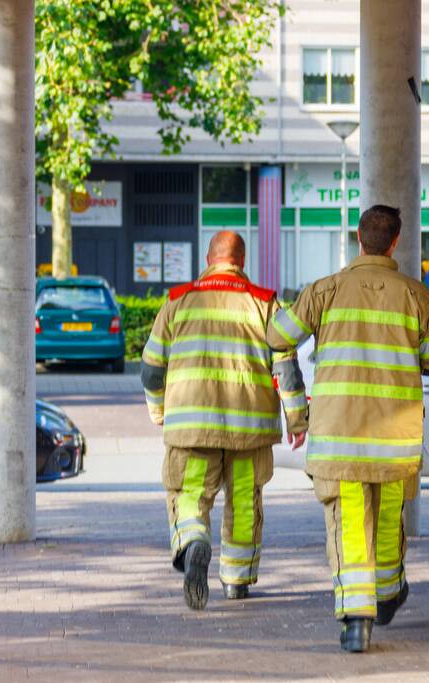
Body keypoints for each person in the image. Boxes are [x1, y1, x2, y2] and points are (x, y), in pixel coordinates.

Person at [266, 205, 429, 652]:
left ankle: (355, 619)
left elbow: (277, 336)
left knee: (349, 526)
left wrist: (295, 408)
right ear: (395, 241)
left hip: (337, 440)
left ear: (358, 239)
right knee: (388, 521)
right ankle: (387, 593)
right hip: (394, 441)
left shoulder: (324, 291)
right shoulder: (417, 295)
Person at [141, 231, 308, 610]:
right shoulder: (264, 303)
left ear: (208, 258)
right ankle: (236, 581)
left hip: (192, 429)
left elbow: (151, 370)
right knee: (245, 502)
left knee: (190, 495)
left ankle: (194, 541)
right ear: (242, 262)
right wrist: (297, 419)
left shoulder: (177, 302)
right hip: (250, 432)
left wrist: (158, 410)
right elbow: (287, 368)